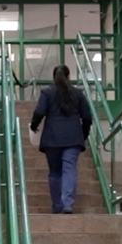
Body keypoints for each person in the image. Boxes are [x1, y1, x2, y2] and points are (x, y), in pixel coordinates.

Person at [29, 65, 93, 214]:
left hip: (52, 138)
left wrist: (34, 126)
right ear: (68, 76)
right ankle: (67, 204)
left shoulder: (47, 92)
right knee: (69, 169)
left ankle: (57, 205)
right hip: (73, 139)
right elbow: (87, 117)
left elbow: (39, 111)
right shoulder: (77, 93)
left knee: (55, 173)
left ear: (53, 77)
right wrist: (83, 135)